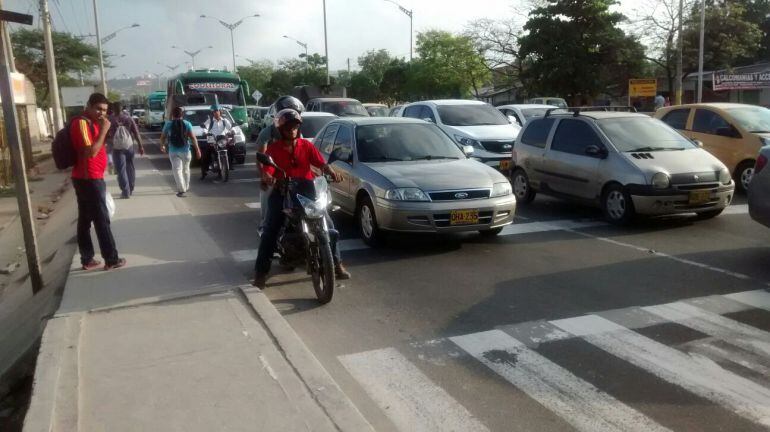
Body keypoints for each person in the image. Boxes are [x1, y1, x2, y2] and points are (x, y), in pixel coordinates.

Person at [253, 108, 350, 288]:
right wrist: (267, 176)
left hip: (307, 191)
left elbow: (320, 163)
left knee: (328, 224)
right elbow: (268, 169)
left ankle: (336, 264)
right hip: (283, 192)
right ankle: (260, 272)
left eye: (295, 127)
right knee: (270, 230)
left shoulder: (306, 146)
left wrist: (331, 171)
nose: (292, 130)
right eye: (289, 127)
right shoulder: (273, 149)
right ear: (281, 129)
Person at [71, 93, 126, 271]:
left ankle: (87, 259)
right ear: (88, 105)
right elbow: (90, 152)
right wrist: (104, 130)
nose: (101, 113)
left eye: (104, 110)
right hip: (89, 180)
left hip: (90, 178)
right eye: (98, 109)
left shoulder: (93, 122)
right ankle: (111, 259)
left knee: (85, 220)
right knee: (102, 219)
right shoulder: (81, 123)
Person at [256, 95, 305, 231]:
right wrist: (265, 176)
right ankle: (264, 223)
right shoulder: (268, 132)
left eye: (294, 115)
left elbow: (304, 155)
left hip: (293, 173)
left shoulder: (298, 133)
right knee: (267, 192)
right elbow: (261, 156)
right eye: (287, 114)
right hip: (274, 172)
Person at [160, 106, 202, 197]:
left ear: (172, 115)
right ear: (181, 114)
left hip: (173, 151)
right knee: (186, 169)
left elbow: (163, 137)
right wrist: (197, 150)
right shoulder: (187, 124)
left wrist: (162, 145)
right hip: (186, 150)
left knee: (177, 170)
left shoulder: (168, 124)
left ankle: (181, 189)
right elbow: (193, 138)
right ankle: (186, 187)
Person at [106, 101, 144, 199]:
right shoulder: (128, 118)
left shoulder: (110, 120)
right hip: (129, 146)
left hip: (117, 148)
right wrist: (140, 146)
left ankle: (125, 191)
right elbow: (136, 133)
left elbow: (106, 135)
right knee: (130, 167)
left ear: (113, 109)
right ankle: (130, 188)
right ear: (122, 108)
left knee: (121, 170)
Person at [200, 104, 234, 179]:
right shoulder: (210, 120)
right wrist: (205, 132)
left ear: (220, 112)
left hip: (222, 140)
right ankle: (204, 172)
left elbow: (231, 128)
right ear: (212, 113)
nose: (216, 113)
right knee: (205, 156)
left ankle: (230, 165)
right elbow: (205, 127)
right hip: (212, 140)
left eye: (217, 111)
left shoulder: (225, 121)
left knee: (232, 148)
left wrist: (232, 131)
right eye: (214, 111)